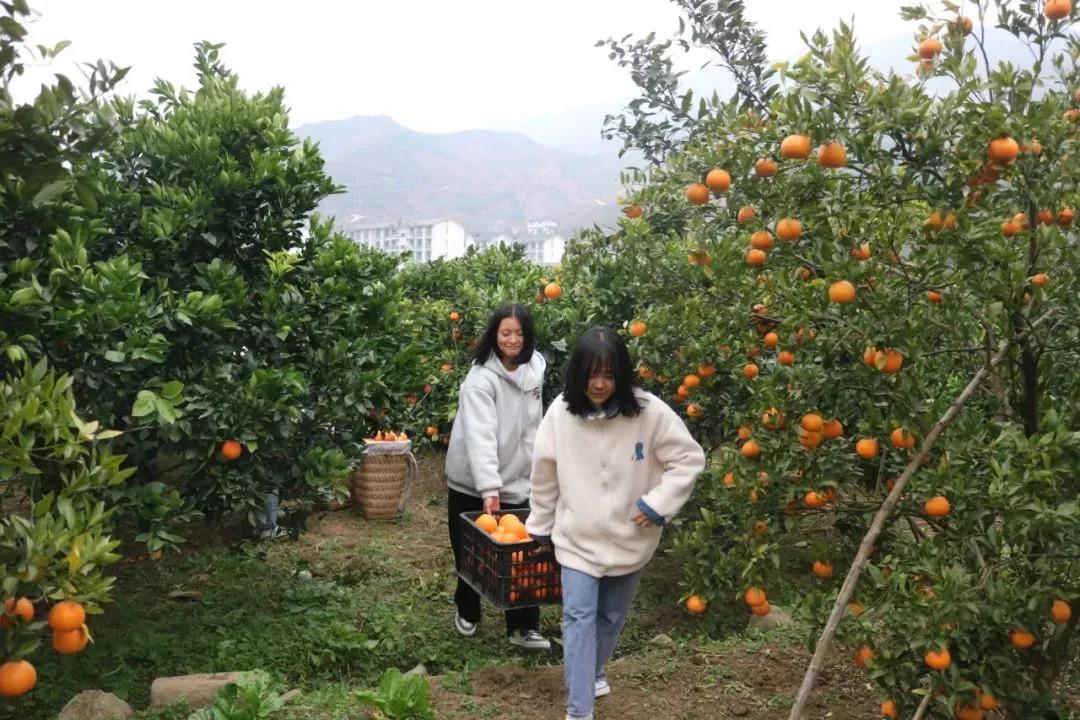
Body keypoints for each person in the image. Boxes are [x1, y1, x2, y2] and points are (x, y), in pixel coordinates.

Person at [525, 326, 706, 720]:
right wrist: (539, 524)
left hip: (631, 539)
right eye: (592, 374)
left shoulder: (649, 412)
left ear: (621, 375)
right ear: (578, 374)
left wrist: (658, 504)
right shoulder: (560, 413)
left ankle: (593, 671)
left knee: (610, 618)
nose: (600, 384)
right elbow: (544, 474)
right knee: (578, 618)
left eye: (609, 375)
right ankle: (579, 709)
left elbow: (688, 459)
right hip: (576, 538)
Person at [445, 303, 551, 650]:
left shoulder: (535, 370)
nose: (513, 339)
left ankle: (523, 627)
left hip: (519, 479)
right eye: (506, 332)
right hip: (473, 483)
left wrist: (539, 473)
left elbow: (535, 427)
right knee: (473, 553)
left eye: (519, 333)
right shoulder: (480, 381)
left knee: (524, 552)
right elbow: (481, 436)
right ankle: (468, 610)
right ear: (495, 335)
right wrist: (489, 488)